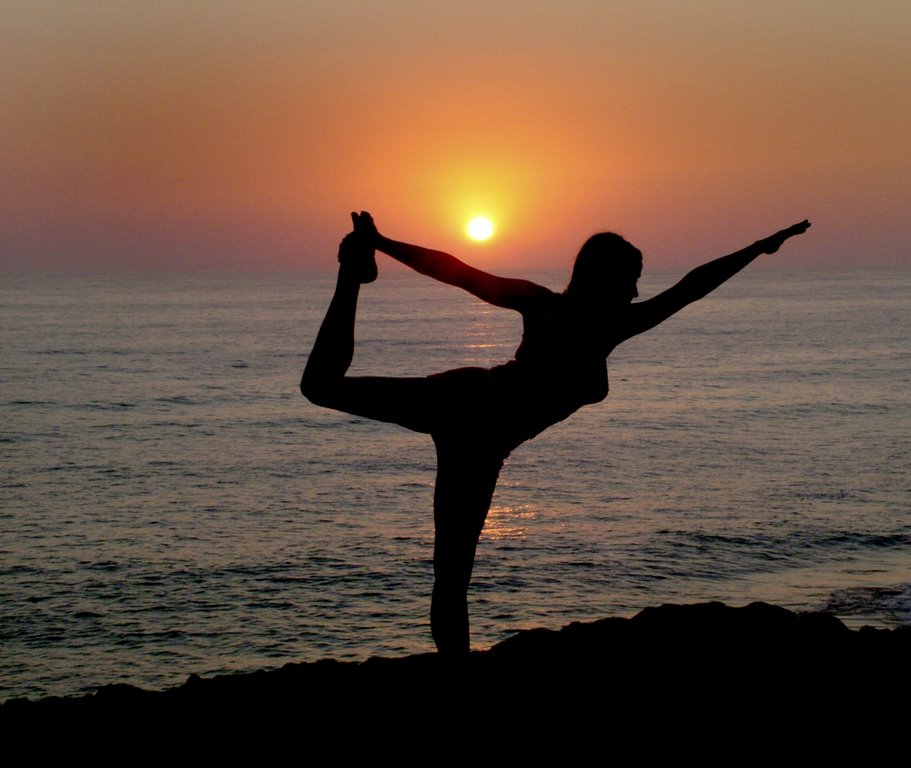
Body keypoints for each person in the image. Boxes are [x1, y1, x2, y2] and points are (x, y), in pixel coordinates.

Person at [302, 212, 810, 654]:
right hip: (469, 408)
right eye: (631, 278)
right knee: (449, 568)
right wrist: (384, 243)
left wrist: (757, 249)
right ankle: (355, 270)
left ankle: (453, 677)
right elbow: (459, 273)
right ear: (605, 278)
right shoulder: (580, 316)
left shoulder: (584, 316)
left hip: (475, 430)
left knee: (452, 573)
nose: (636, 289)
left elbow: (693, 285)